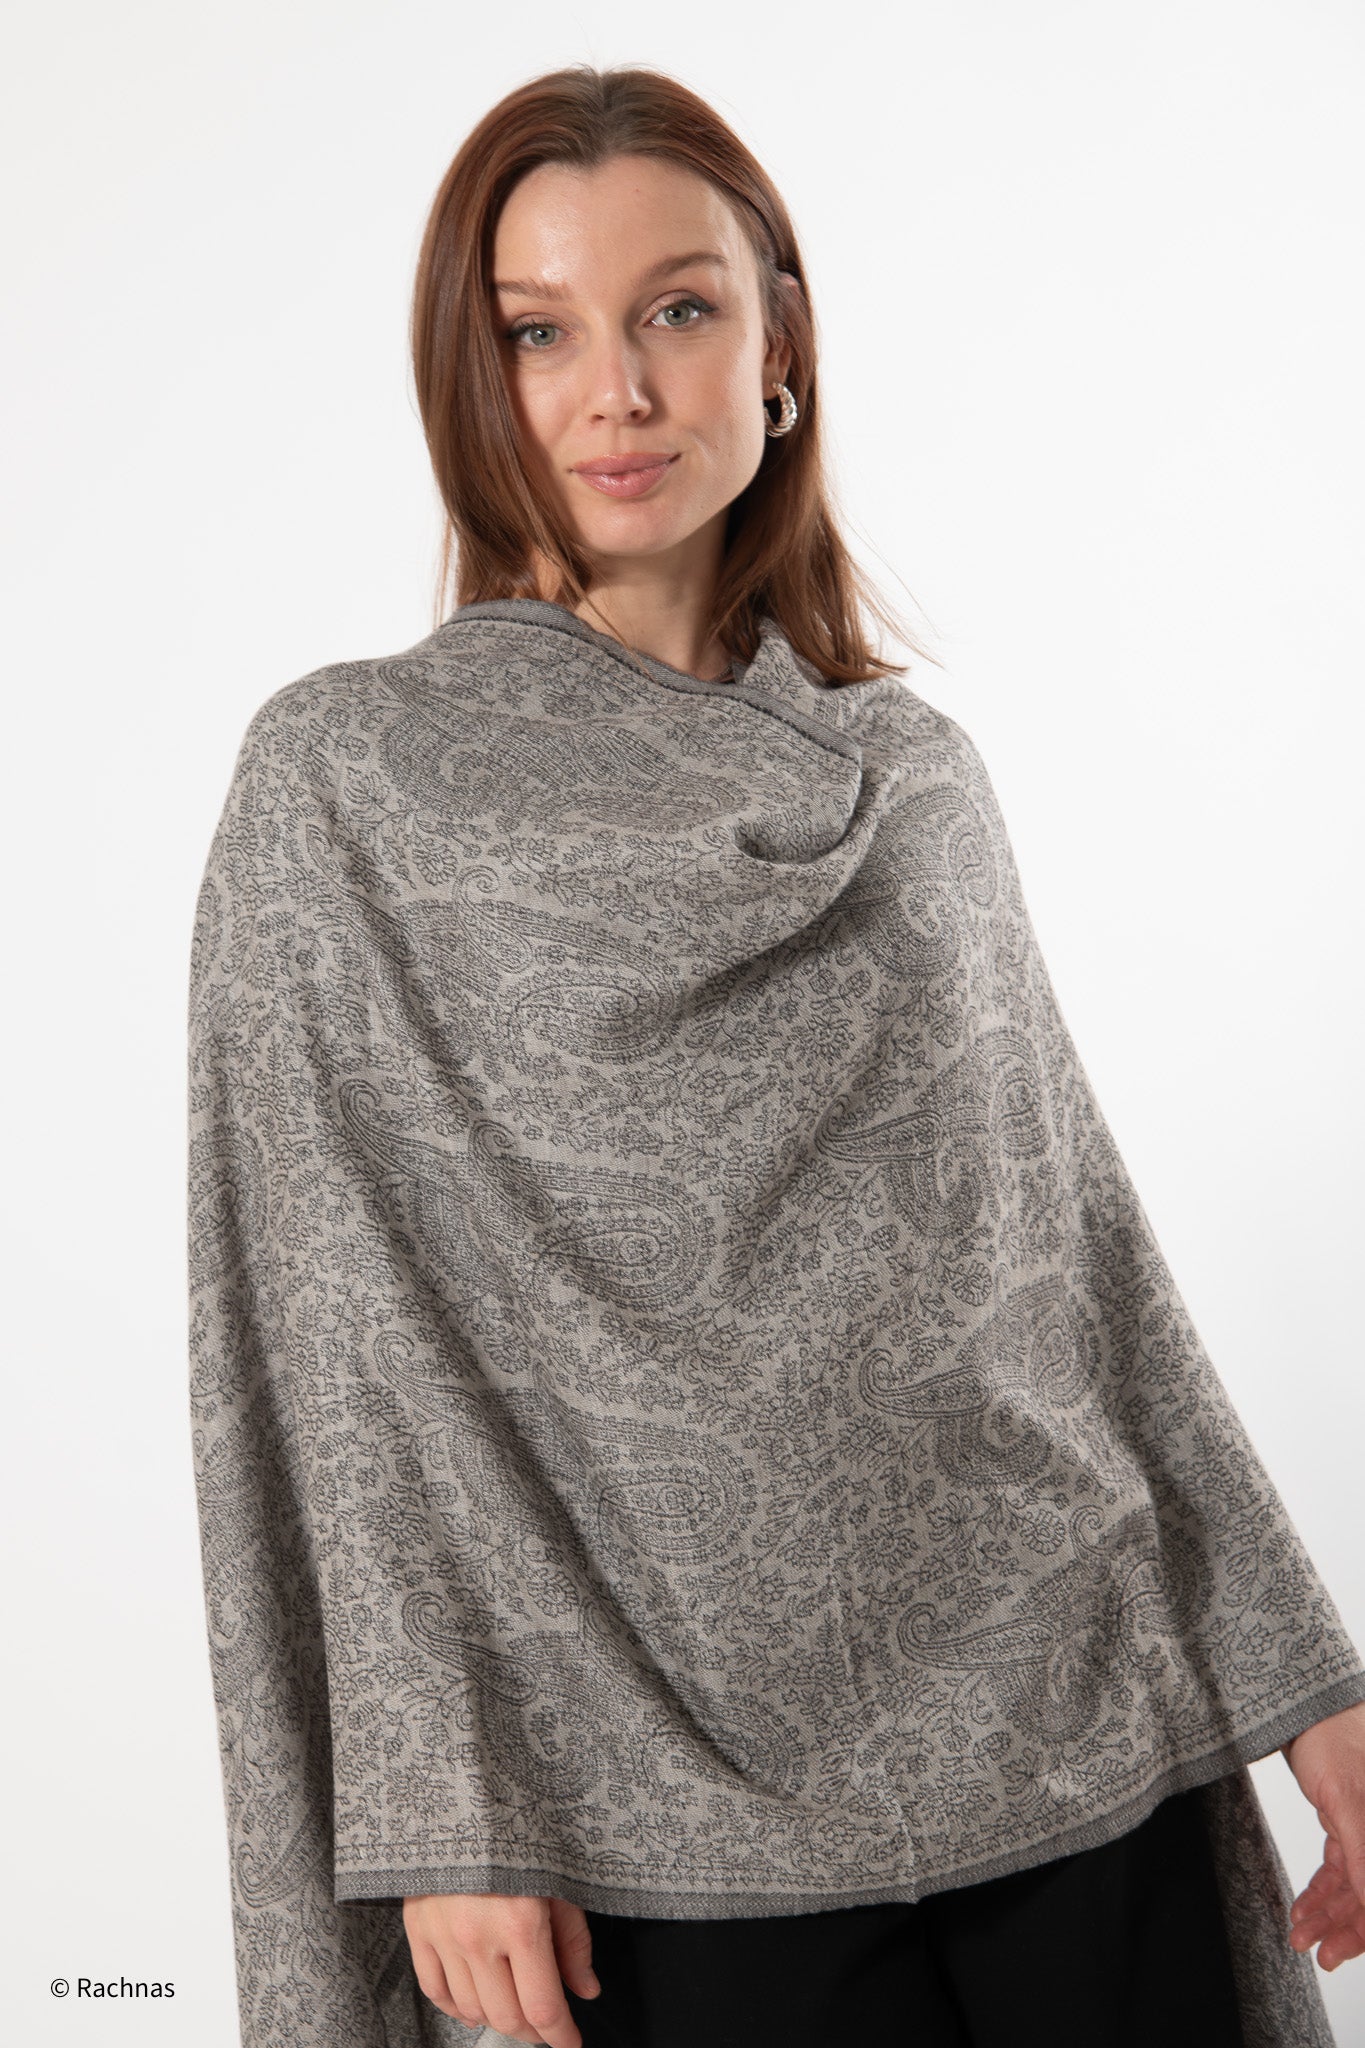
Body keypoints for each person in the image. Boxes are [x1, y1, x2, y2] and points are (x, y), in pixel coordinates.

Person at [188, 63, 1365, 2048]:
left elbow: (1071, 1257)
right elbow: (327, 1327)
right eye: (537, 334)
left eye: (677, 308)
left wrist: (1303, 1677)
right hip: (645, 1798)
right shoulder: (352, 779)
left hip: (1076, 1733)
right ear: (468, 377)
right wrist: (442, 1793)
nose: (616, 392)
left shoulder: (912, 775)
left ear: (778, 339)